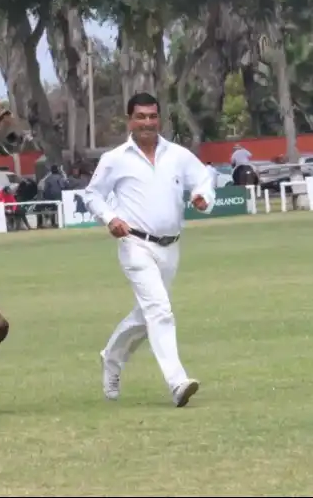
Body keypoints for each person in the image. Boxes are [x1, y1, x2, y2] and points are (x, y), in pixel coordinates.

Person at [83, 92, 215, 408]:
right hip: (134, 244)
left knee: (146, 316)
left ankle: (111, 358)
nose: (147, 122)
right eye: (141, 117)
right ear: (130, 120)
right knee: (160, 311)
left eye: (152, 116)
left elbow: (204, 178)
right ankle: (177, 382)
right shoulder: (115, 159)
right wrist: (110, 218)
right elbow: (92, 195)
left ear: (160, 118)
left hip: (170, 247)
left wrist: (201, 196)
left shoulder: (177, 155)